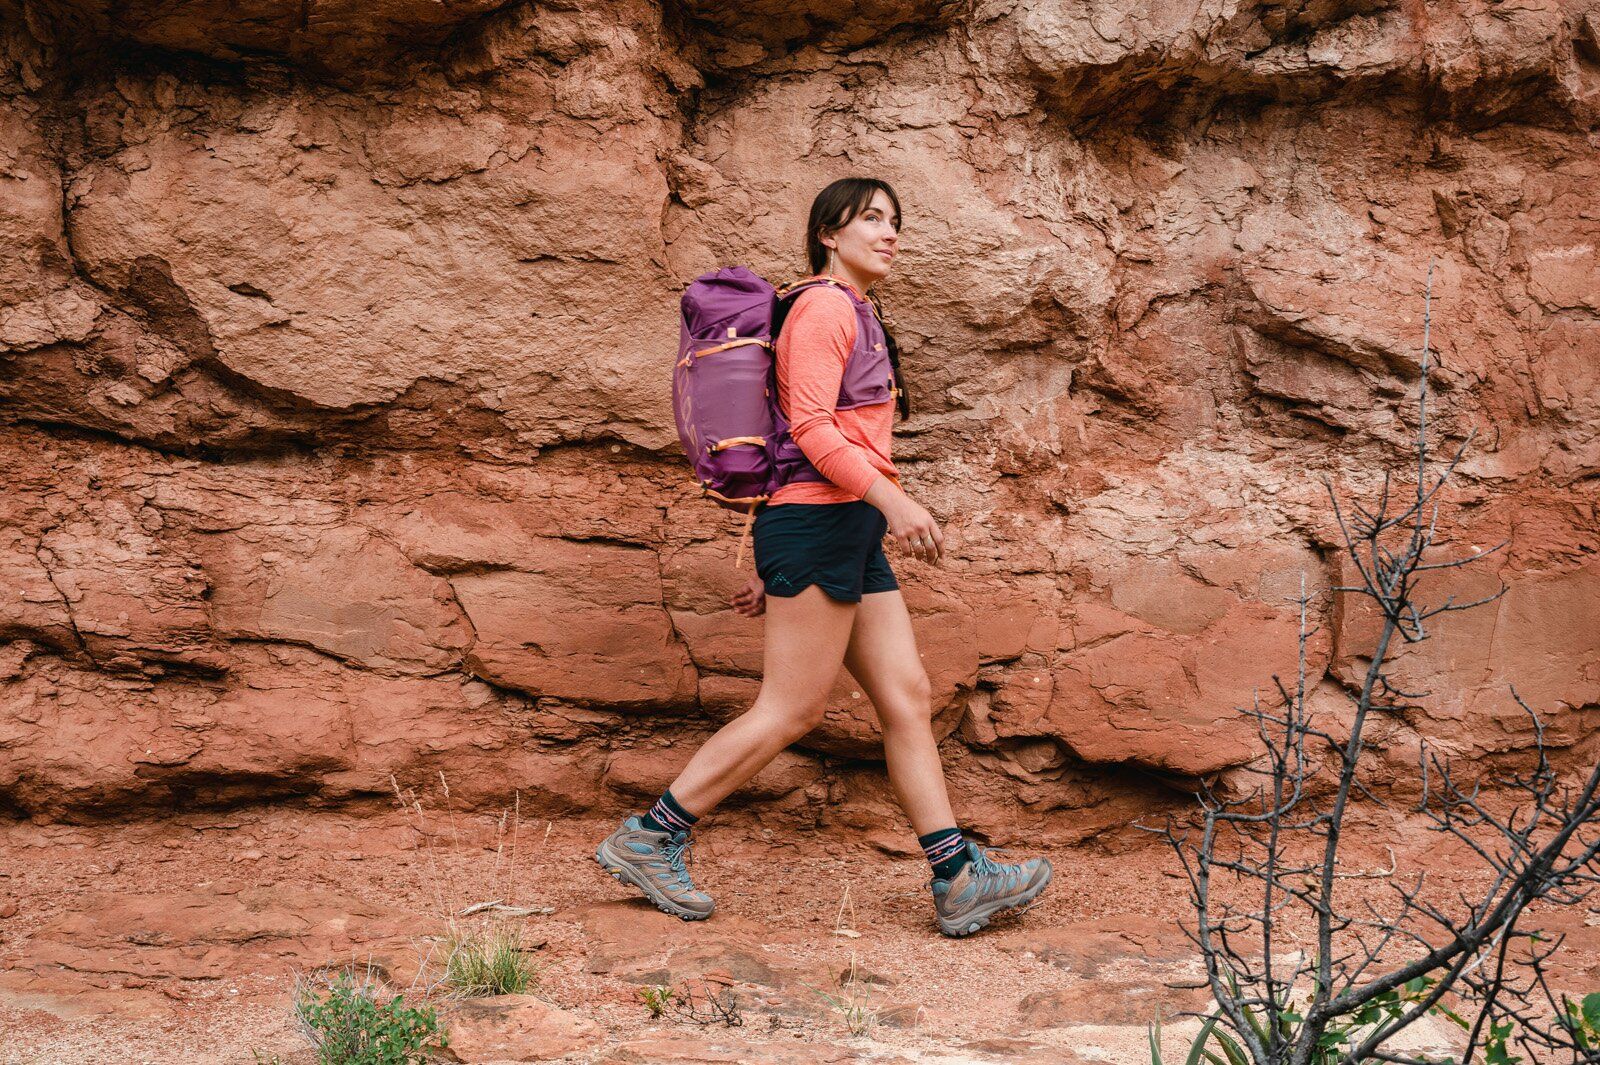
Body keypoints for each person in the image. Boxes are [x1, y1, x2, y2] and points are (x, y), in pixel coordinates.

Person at [596, 177, 1052, 937]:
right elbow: (809, 429)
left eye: (895, 220)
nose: (889, 232)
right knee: (792, 706)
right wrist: (893, 501)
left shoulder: (857, 311)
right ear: (828, 235)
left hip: (840, 528)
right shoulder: (822, 307)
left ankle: (960, 876)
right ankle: (651, 835)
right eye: (871, 218)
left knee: (906, 695)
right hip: (825, 522)